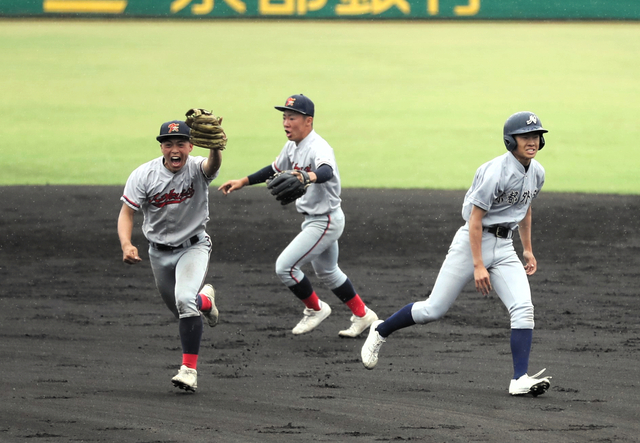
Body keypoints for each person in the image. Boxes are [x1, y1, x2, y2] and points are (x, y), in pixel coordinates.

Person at [361, 111, 552, 396]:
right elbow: (475, 220)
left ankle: (519, 378)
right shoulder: (494, 172)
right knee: (433, 309)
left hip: (504, 246)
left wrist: (527, 249)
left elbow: (524, 210)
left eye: (536, 136)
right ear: (510, 141)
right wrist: (478, 265)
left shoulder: (537, 172)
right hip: (472, 243)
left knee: (524, 309)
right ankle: (380, 330)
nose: (533, 141)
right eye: (526, 136)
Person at [218, 94, 378, 337]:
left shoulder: (319, 146)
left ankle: (315, 309)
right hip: (315, 220)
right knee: (328, 271)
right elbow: (274, 169)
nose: (286, 123)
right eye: (284, 117)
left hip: (326, 220)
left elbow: (326, 171)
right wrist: (243, 181)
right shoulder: (292, 146)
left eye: (292, 117)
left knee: (285, 267)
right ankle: (363, 315)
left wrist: (307, 176)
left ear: (308, 121)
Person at [117, 119, 222, 392]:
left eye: (180, 144)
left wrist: (216, 150)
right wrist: (127, 244)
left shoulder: (198, 168)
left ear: (190, 145)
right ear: (162, 147)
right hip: (158, 253)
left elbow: (213, 166)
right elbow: (127, 212)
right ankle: (206, 302)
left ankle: (189, 370)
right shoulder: (144, 175)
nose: (174, 149)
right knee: (182, 309)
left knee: (184, 301)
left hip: (194, 246)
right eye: (168, 144)